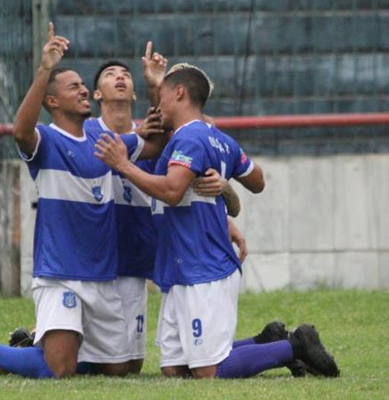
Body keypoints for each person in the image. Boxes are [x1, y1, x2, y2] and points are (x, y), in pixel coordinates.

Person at [94, 63, 340, 379]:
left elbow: (171, 191)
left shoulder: (190, 139)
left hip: (203, 266)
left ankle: (295, 346)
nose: (158, 106)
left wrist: (122, 165)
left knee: (208, 371)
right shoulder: (218, 139)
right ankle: (264, 343)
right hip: (182, 267)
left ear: (179, 93)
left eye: (163, 97)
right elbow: (258, 181)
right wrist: (226, 186)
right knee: (174, 369)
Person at [0, 23, 158, 379]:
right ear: (53, 101)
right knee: (61, 370)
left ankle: (32, 348)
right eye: (73, 87)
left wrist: (153, 91)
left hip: (102, 273)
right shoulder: (45, 142)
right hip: (61, 273)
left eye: (82, 86)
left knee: (120, 368)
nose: (83, 91)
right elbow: (19, 132)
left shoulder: (106, 143)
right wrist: (44, 70)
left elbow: (157, 146)